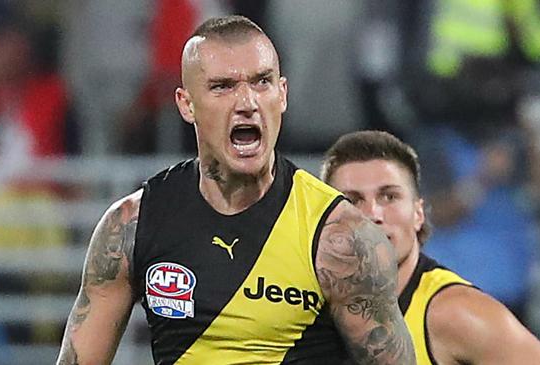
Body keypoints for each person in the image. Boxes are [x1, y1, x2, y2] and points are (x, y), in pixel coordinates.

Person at [56, 16, 415, 365]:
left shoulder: (342, 240)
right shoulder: (132, 227)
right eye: (223, 86)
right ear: (186, 104)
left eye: (262, 82)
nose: (247, 103)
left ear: (283, 94)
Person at [320, 130, 540, 364]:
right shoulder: (298, 309)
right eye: (352, 201)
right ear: (325, 219)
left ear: (418, 214)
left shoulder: (458, 315)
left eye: (389, 197)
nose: (373, 214)